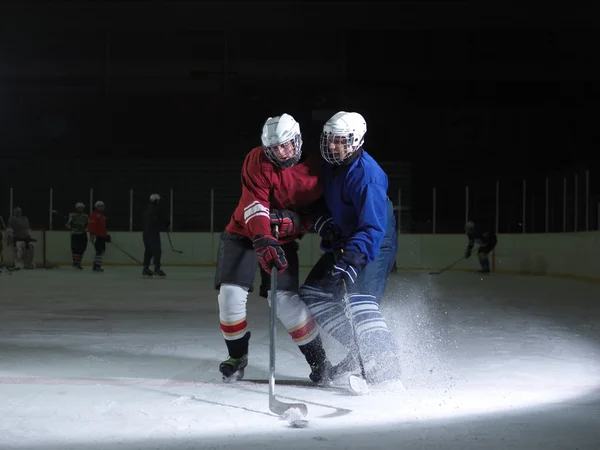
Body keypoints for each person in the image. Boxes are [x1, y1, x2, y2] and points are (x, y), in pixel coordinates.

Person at [214, 113, 332, 384]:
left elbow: (318, 209)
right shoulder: (256, 159)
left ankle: (319, 362)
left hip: (283, 238)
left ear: (298, 140)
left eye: (286, 145)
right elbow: (255, 205)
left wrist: (298, 222)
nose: (280, 152)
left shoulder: (318, 167)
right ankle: (237, 356)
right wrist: (263, 239)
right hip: (244, 234)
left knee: (285, 302)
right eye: (274, 148)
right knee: (229, 297)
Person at [299, 111, 400, 385]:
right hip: (346, 239)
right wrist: (323, 218)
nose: (332, 145)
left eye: (339, 141)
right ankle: (362, 350)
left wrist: (353, 259)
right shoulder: (331, 166)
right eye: (329, 139)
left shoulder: (368, 176)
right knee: (314, 293)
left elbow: (373, 226)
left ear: (355, 141)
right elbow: (316, 198)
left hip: (374, 243)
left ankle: (387, 364)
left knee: (360, 301)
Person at [142, 193, 169, 278]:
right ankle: (157, 269)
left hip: (146, 233)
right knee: (157, 251)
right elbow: (162, 219)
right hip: (153, 233)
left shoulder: (147, 208)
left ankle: (145, 268)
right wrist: (166, 224)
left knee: (148, 251)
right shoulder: (157, 209)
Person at [89, 201, 111, 272]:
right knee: (99, 250)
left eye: (102, 206)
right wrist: (93, 235)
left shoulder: (102, 216)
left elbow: (103, 227)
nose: (102, 207)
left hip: (101, 236)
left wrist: (106, 235)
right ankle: (97, 266)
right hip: (96, 236)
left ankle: (96, 265)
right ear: (96, 207)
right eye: (100, 206)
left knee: (102, 251)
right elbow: (92, 226)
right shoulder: (94, 215)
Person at [66, 202, 89, 269]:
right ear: (76, 208)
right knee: (75, 248)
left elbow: (88, 225)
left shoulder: (86, 216)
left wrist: (86, 229)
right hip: (75, 234)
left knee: (82, 249)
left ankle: (79, 262)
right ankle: (75, 261)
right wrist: (68, 226)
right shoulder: (72, 215)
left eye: (81, 208)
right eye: (79, 208)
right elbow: (68, 225)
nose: (80, 209)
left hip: (83, 234)